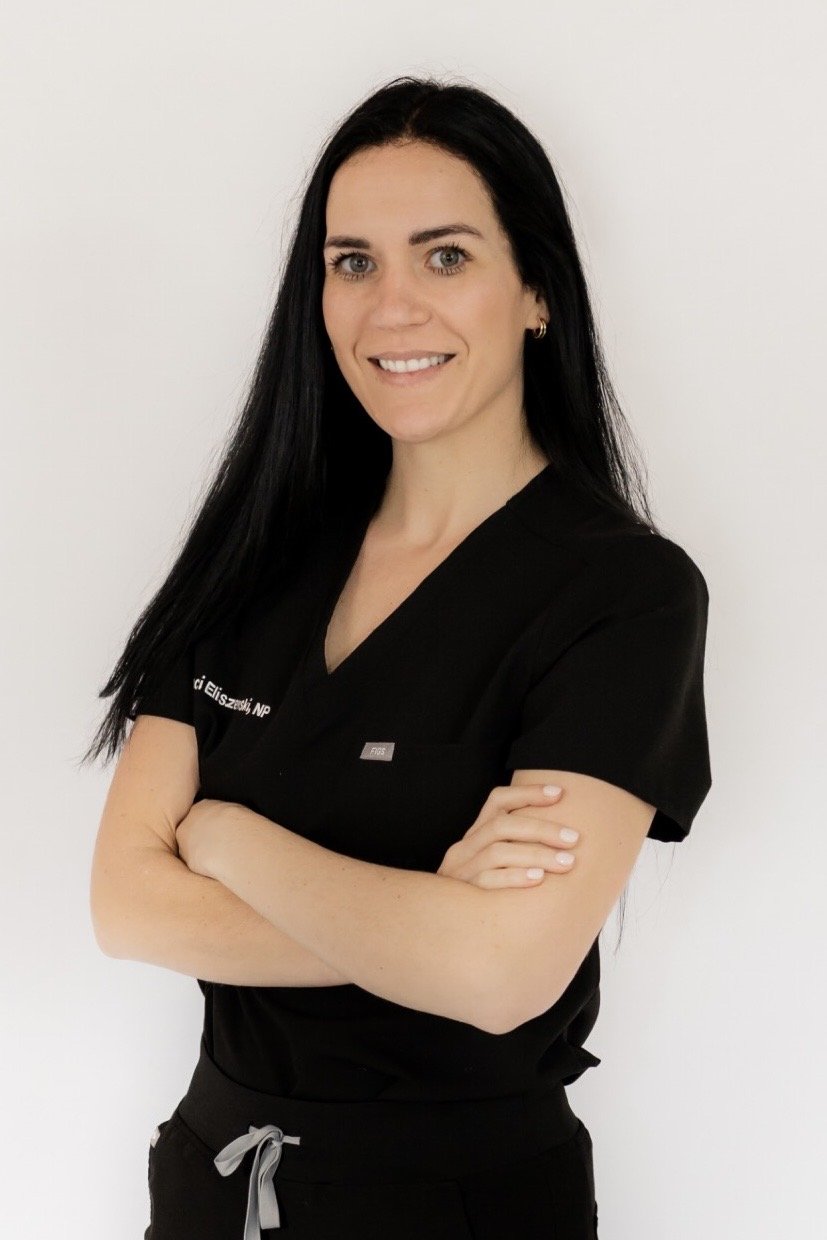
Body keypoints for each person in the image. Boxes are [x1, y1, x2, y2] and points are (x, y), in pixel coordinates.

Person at [86, 76, 712, 1240]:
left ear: (535, 291)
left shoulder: (623, 595)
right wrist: (427, 920)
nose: (391, 308)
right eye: (353, 262)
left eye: (445, 256)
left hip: (461, 1203)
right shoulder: (251, 559)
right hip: (217, 1187)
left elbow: (499, 978)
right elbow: (125, 906)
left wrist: (221, 839)